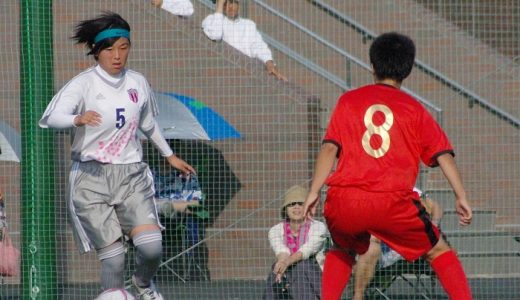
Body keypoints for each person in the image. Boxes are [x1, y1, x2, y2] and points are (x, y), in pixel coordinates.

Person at [302, 32, 473, 300]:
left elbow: (329, 148)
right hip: (391, 201)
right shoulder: (414, 109)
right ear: (408, 70)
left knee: (342, 249)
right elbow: (443, 155)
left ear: (372, 65)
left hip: (345, 198)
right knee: (437, 249)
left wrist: (313, 191)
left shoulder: (348, 101)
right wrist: (461, 196)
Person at [38, 12, 195, 300]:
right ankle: (113, 294)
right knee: (113, 259)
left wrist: (169, 155)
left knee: (151, 247)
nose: (117, 55)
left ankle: (143, 284)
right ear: (96, 51)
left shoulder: (137, 82)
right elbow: (51, 118)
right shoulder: (83, 83)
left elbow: (147, 123)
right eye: (109, 49)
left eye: (123, 47)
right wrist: (77, 119)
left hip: (131, 173)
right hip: (91, 177)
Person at [353, 188, 443, 300]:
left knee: (440, 248)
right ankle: (358, 295)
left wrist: (433, 226)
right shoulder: (371, 190)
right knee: (369, 248)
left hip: (409, 246)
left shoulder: (408, 188)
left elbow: (434, 207)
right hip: (381, 248)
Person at [263, 185, 328, 300]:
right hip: (289, 277)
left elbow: (306, 251)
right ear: (285, 209)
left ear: (307, 207)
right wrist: (282, 264)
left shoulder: (318, 227)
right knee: (276, 267)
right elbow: (281, 251)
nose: (296, 207)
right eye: (292, 204)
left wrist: (286, 263)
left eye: (300, 203)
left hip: (317, 281)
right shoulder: (275, 230)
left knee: (302, 265)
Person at [201, 0, 287, 81]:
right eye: (225, 3)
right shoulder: (211, 20)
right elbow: (216, 35)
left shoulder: (248, 24)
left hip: (246, 75)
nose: (230, 7)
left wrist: (269, 62)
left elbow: (257, 45)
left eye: (232, 2)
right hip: (224, 72)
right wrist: (219, 7)